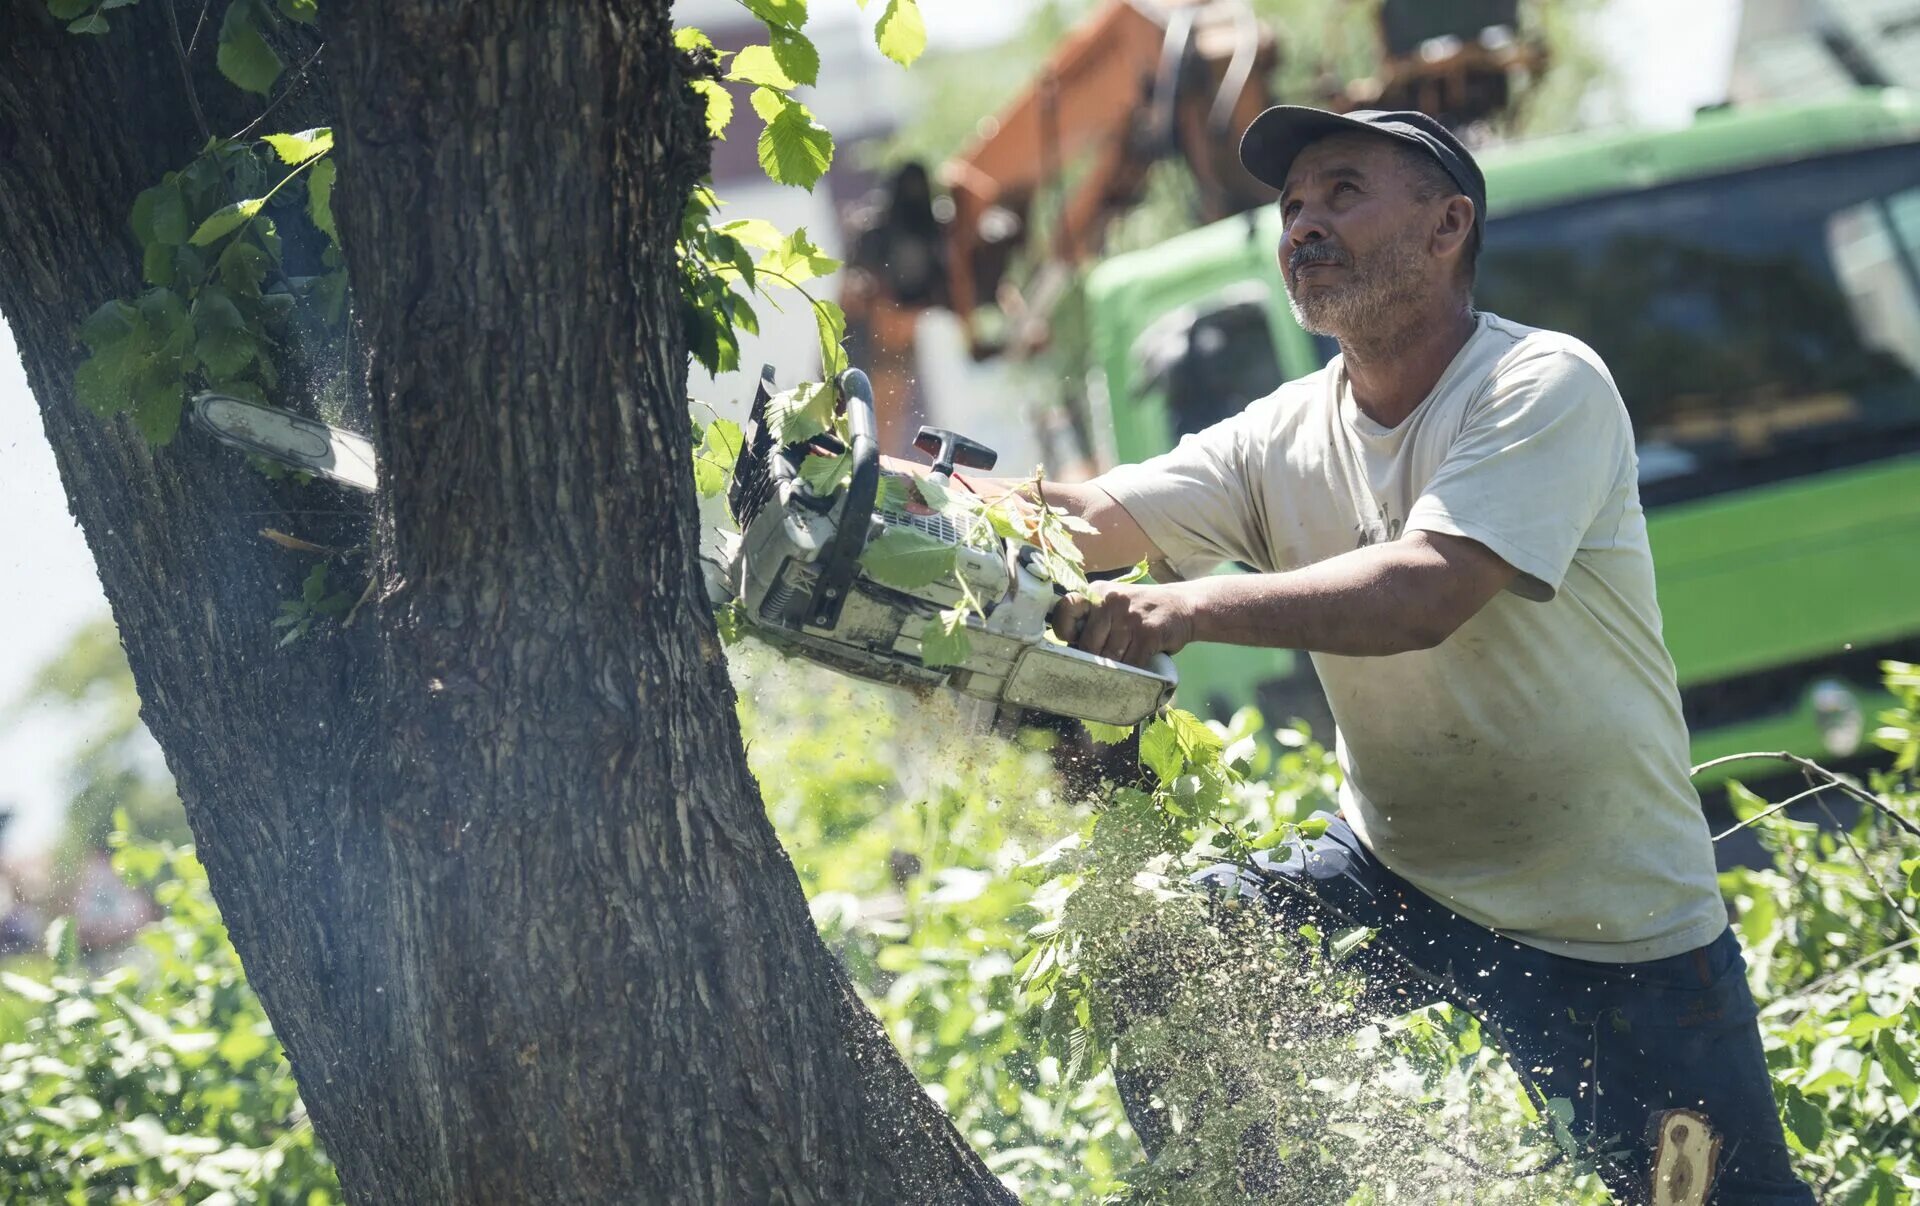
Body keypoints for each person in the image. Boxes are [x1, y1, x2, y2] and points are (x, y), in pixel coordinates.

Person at [920, 107, 1812, 1203]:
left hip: (1616, 931)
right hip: (1400, 883)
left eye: (1342, 193)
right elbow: (1093, 515)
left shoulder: (1543, 385)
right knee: (1165, 957)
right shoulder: (1282, 431)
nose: (1302, 225)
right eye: (1291, 205)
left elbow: (1424, 591)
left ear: (1448, 225)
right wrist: (916, 498)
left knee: (1710, 1199)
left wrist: (1185, 609)